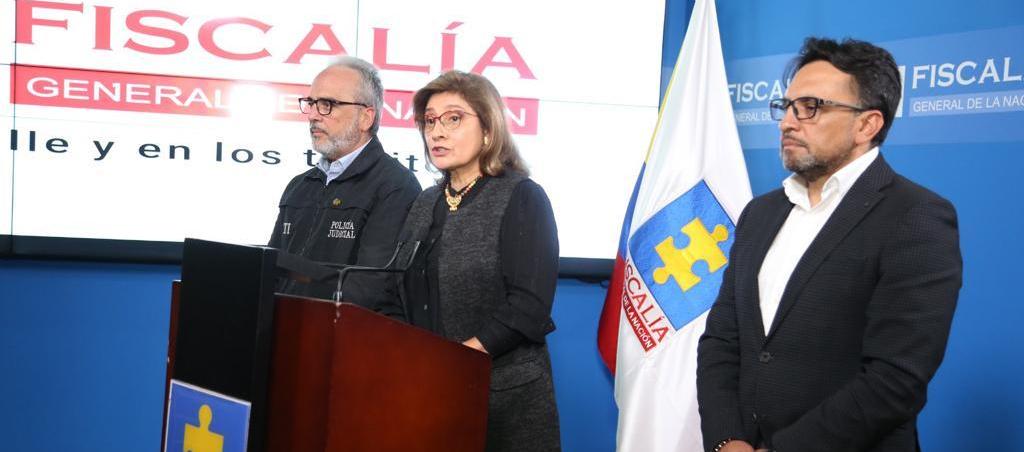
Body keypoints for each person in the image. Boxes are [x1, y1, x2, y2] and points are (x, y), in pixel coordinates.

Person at [697, 38, 962, 452]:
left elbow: (895, 380)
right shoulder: (760, 213)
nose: (787, 122)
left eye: (811, 107)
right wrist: (726, 440)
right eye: (785, 107)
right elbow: (721, 341)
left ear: (867, 125)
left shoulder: (916, 217)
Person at [379, 70, 561, 451]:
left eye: (454, 118)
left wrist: (459, 358)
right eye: (430, 121)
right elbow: (396, 288)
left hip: (505, 403)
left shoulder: (521, 196)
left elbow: (528, 307)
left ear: (490, 130)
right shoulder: (425, 203)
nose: (437, 132)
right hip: (429, 393)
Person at [268, 57, 421, 307]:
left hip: (338, 336)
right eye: (311, 103)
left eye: (328, 104)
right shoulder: (300, 185)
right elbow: (270, 269)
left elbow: (370, 289)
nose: (314, 115)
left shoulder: (395, 186)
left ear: (365, 118)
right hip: (282, 334)